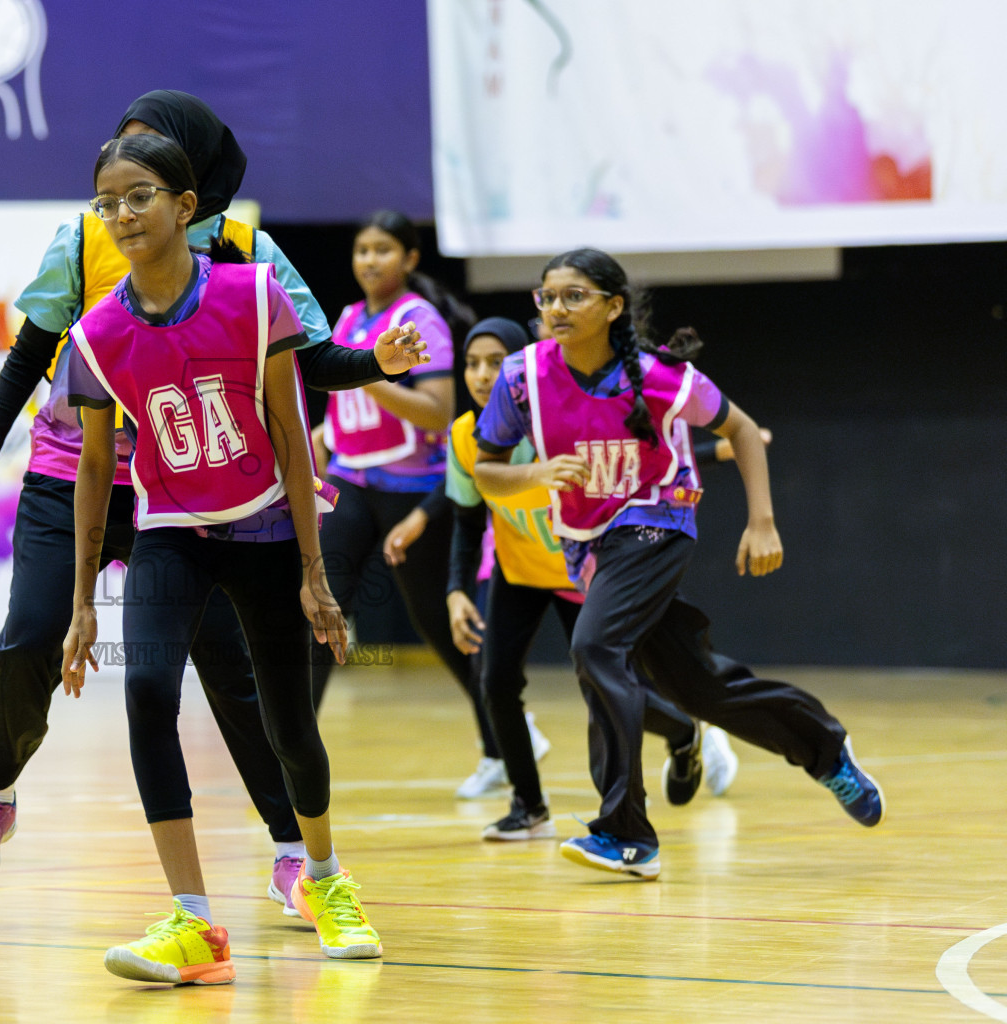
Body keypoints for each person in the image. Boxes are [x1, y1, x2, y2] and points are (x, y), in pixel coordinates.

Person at [0, 91, 424, 912]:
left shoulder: (242, 249)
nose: (127, 175)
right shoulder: (86, 238)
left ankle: (293, 850)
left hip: (190, 487)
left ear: (189, 177)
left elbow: (312, 359)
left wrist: (378, 365)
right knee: (30, 638)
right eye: (120, 154)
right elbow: (32, 350)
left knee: (231, 671)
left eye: (148, 153)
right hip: (71, 467)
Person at [62, 133, 387, 983]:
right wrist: (83, 603)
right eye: (108, 202)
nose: (122, 214)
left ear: (186, 205)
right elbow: (96, 467)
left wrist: (316, 572)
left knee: (287, 724)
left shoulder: (252, 296)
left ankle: (325, 879)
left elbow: (291, 432)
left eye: (139, 196)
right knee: (144, 691)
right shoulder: (95, 335)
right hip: (170, 530)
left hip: (268, 530)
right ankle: (195, 922)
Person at [472, 249, 884, 879]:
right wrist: (535, 472)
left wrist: (762, 521)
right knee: (698, 686)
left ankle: (626, 834)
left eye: (574, 296)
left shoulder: (664, 378)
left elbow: (742, 430)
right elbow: (487, 471)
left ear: (613, 307)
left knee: (596, 648)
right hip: (588, 543)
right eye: (547, 296)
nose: (556, 308)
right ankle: (827, 750)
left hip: (657, 522)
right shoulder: (523, 377)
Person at [439, 318, 733, 842]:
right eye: (471, 363)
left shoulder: (552, 417)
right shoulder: (465, 437)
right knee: (495, 681)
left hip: (585, 566)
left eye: (494, 362)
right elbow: (465, 519)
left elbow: (638, 457)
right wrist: (457, 589)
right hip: (520, 569)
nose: (482, 375)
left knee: (608, 683)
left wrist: (711, 452)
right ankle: (528, 805)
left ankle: (682, 731)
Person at [307, 213, 487, 738]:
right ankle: (294, 748)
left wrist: (370, 374)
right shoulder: (346, 317)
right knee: (321, 606)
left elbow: (438, 410)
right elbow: (344, 401)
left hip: (412, 491)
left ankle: (505, 730)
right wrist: (323, 436)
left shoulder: (419, 319)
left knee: (434, 618)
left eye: (383, 249)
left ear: (409, 258)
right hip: (352, 483)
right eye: (362, 249)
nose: (369, 259)